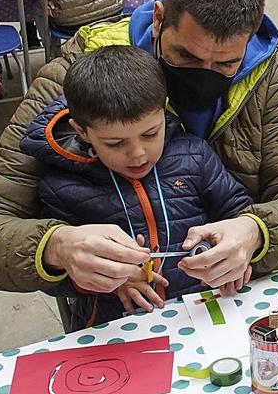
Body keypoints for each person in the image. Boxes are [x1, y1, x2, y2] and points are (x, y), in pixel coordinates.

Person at [0, 0, 278, 314]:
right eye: (185, 55)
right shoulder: (79, 76)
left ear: (248, 41)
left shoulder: (267, 76)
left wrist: (256, 232)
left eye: (226, 64)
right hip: (114, 310)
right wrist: (57, 247)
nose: (203, 74)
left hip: (235, 293)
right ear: (158, 19)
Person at [21, 46, 256, 328]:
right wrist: (104, 279)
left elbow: (238, 210)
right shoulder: (62, 186)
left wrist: (237, 247)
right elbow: (54, 280)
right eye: (115, 143)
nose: (138, 154)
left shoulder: (194, 155)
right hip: (116, 329)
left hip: (207, 315)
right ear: (82, 131)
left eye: (150, 134)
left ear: (163, 108)